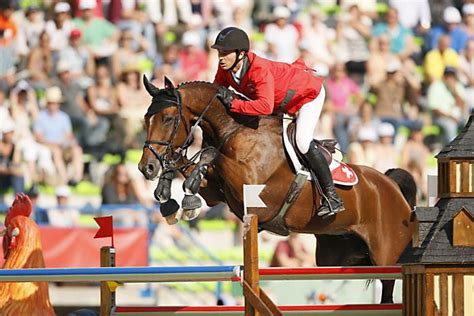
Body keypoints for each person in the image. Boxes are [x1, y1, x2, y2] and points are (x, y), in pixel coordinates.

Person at [210, 27, 343, 217]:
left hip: (307, 95)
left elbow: (264, 106)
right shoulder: (226, 69)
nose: (220, 57)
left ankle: (332, 197)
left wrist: (235, 105)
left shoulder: (258, 70)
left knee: (302, 141)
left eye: (225, 53)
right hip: (279, 104)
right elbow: (216, 94)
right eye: (218, 53)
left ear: (241, 54)